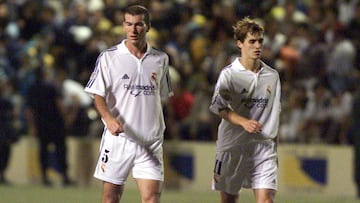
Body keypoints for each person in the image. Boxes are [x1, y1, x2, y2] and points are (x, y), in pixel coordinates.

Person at [84, 5, 173, 203]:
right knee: (111, 198)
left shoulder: (161, 59)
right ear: (124, 25)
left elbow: (163, 97)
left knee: (151, 198)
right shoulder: (109, 57)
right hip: (119, 140)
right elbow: (97, 93)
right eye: (129, 24)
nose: (133, 30)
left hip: (151, 141)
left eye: (139, 24)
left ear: (148, 27)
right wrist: (108, 119)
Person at [209, 17, 281, 203]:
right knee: (229, 200)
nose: (257, 46)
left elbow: (274, 112)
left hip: (263, 147)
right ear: (239, 43)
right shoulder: (229, 74)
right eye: (252, 41)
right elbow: (220, 107)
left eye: (260, 41)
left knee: (266, 200)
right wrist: (243, 122)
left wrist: (275, 142)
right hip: (233, 146)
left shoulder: (272, 76)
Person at [25, 67, 73, 187]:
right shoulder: (52, 87)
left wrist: (32, 125)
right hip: (56, 124)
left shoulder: (31, 88)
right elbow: (59, 105)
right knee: (60, 150)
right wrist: (66, 119)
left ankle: (45, 177)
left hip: (41, 124)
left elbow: (29, 110)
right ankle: (65, 177)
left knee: (43, 151)